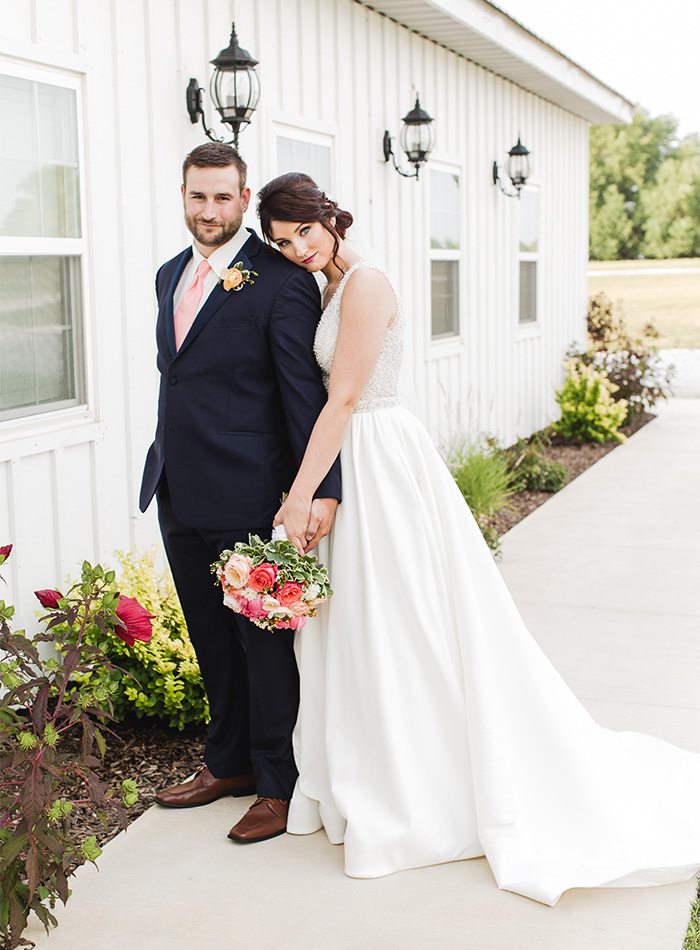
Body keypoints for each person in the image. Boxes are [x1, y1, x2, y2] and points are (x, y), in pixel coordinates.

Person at [256, 172, 700, 905]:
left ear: (330, 218)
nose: (297, 248)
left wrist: (299, 495)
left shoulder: (365, 284)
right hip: (351, 460)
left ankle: (421, 784)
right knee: (363, 624)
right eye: (282, 240)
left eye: (305, 231)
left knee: (402, 620)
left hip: (379, 457)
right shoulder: (325, 288)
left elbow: (342, 397)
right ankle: (371, 767)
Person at [139, 146, 341, 844]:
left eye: (223, 198)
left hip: (252, 496)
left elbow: (304, 397)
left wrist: (320, 492)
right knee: (210, 639)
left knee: (264, 645)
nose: (209, 211)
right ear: (183, 193)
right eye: (198, 196)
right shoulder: (169, 274)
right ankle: (226, 763)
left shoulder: (281, 281)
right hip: (177, 487)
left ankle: (278, 785)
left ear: (243, 195)